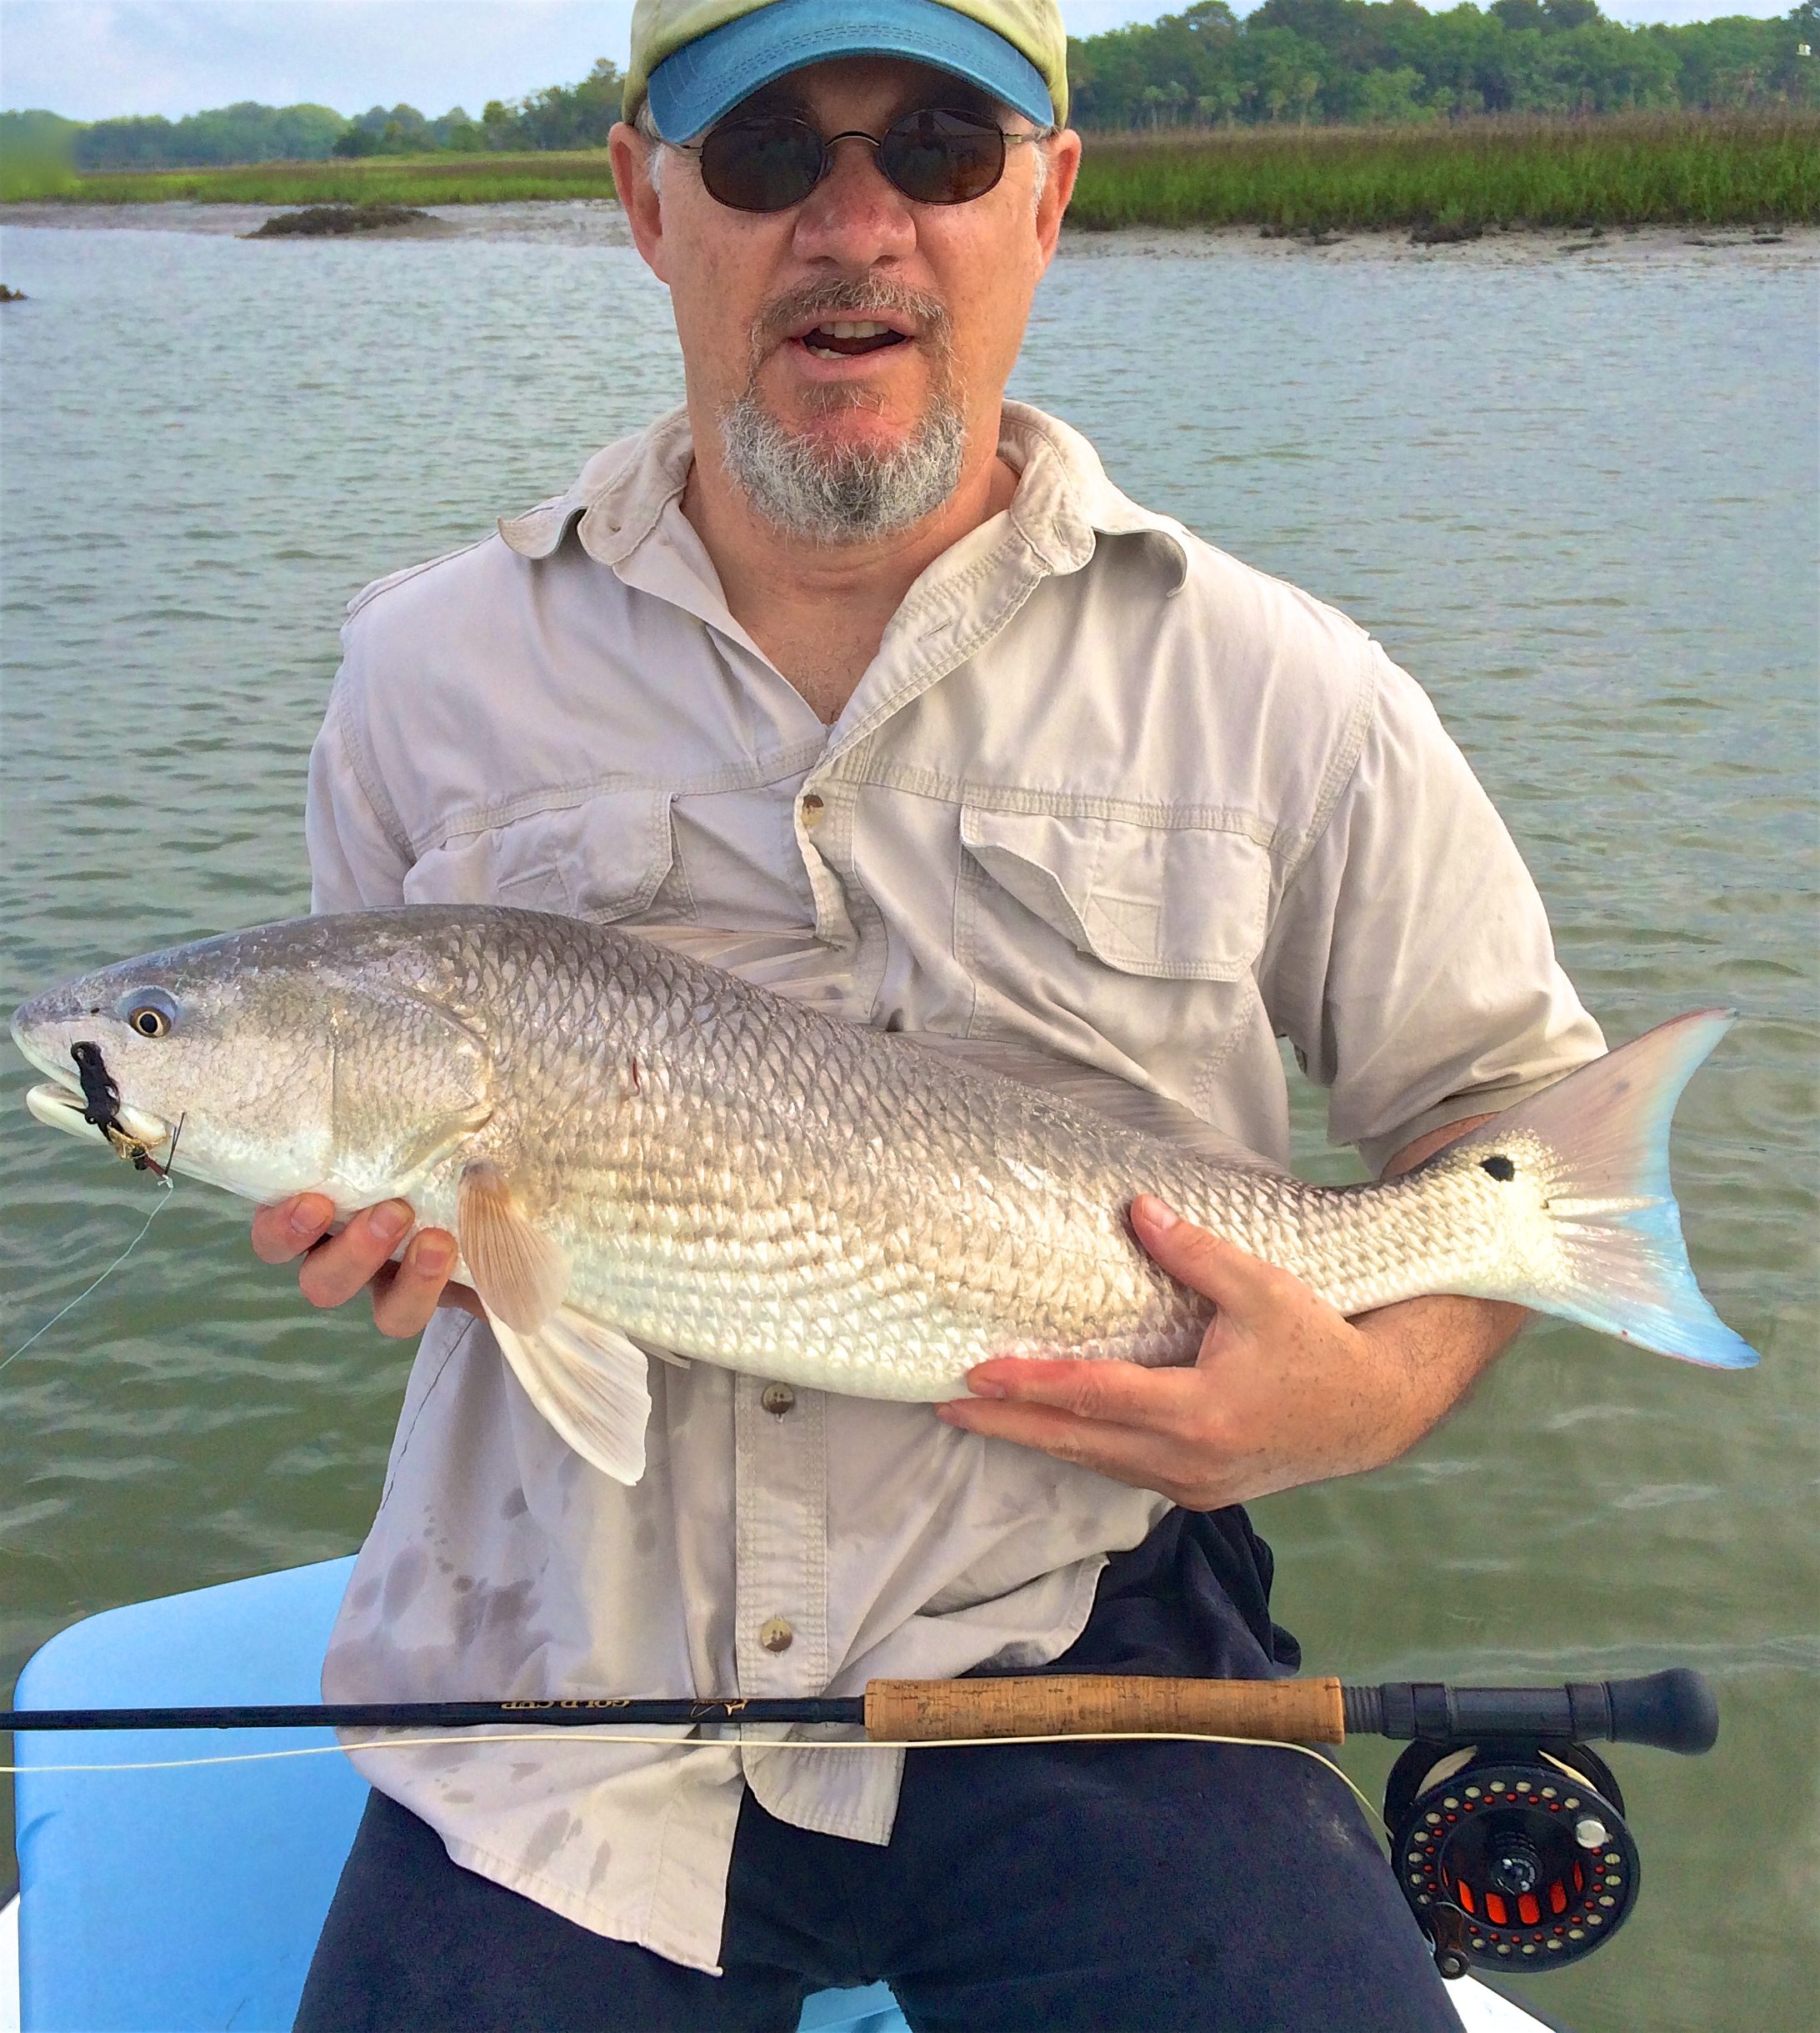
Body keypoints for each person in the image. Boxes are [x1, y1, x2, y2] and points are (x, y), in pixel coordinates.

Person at [267, 2, 1602, 2025]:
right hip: (560, 1685)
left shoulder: (1288, 686)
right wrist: (408, 1237)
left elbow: (1518, 1132)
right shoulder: (418, 672)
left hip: (1095, 1651)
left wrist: (1358, 1398)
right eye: (766, 152)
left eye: (940, 149)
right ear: (646, 201)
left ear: (1046, 201)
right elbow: (369, 1096)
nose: (856, 223)